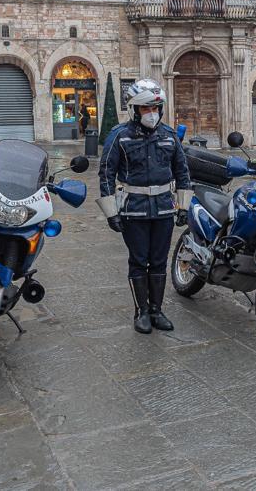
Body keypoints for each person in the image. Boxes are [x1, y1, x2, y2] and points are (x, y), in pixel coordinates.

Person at [98, 79, 192, 333]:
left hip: (163, 208)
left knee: (159, 261)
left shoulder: (169, 136)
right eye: (145, 108)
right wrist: (111, 212)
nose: (151, 113)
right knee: (139, 261)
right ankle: (141, 312)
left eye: (155, 108)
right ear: (134, 110)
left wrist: (183, 206)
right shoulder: (119, 136)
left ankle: (156, 311)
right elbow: (106, 173)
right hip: (134, 209)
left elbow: (182, 172)